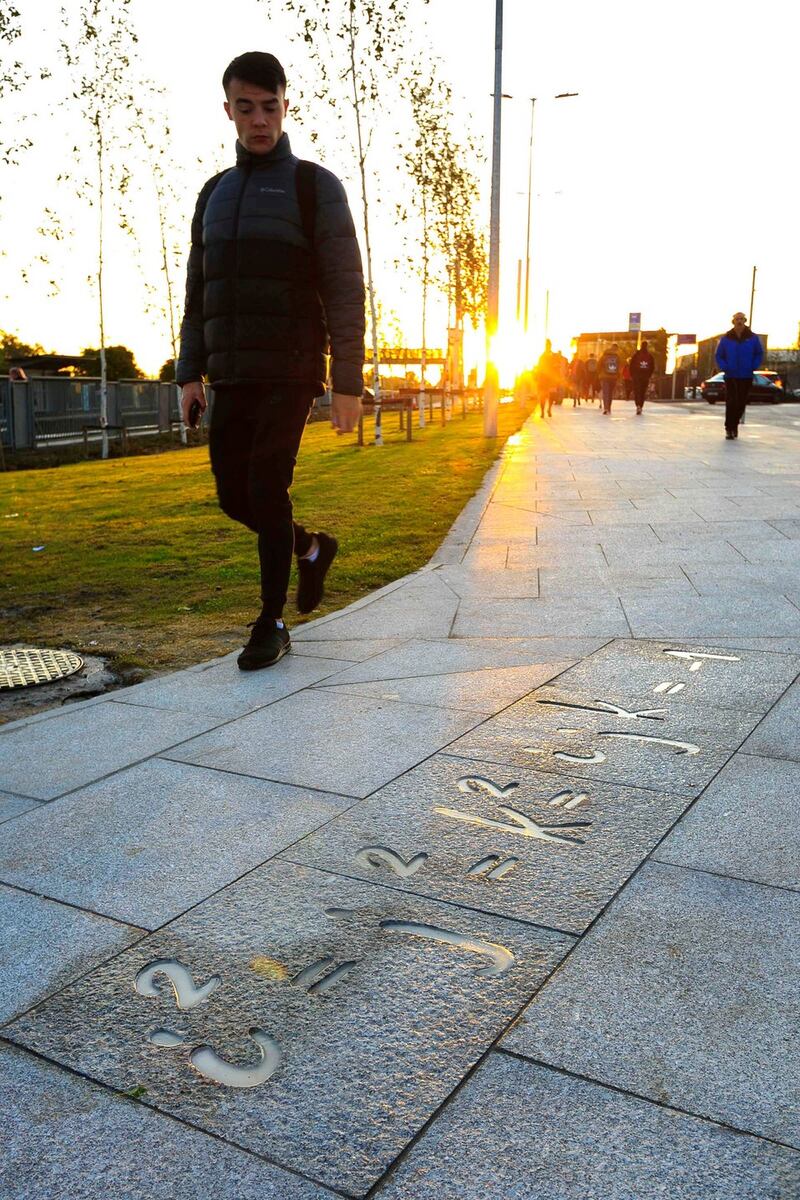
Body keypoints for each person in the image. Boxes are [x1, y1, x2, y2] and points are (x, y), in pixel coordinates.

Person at [177, 52, 365, 670]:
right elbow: (198, 291)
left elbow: (344, 287)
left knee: (265, 485)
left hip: (291, 367)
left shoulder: (314, 186)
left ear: (286, 106)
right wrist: (189, 373)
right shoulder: (214, 193)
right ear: (228, 111)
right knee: (235, 497)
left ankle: (271, 621)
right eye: (246, 107)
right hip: (231, 372)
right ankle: (310, 549)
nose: (259, 120)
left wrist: (347, 381)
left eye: (269, 106)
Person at [715, 312, 763, 439]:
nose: (739, 321)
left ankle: (734, 425)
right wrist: (724, 366)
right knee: (731, 402)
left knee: (741, 402)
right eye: (737, 319)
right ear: (733, 321)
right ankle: (729, 428)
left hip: (746, 375)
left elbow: (759, 353)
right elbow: (719, 355)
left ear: (745, 321)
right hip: (731, 375)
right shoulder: (726, 338)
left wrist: (754, 365)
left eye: (741, 319)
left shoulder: (753, 338)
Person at [628, 339, 655, 415]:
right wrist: (649, 375)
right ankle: (641, 406)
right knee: (643, 392)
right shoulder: (649, 356)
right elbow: (652, 367)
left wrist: (632, 375)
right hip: (645, 377)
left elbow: (631, 365)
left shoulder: (636, 355)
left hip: (636, 376)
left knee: (637, 391)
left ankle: (638, 405)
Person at [597, 344, 621, 414]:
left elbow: (598, 366)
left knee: (606, 393)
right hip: (613, 377)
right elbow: (619, 367)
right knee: (610, 393)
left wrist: (599, 374)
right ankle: (609, 408)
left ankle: (606, 408)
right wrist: (618, 376)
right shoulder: (617, 357)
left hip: (604, 377)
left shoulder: (604, 356)